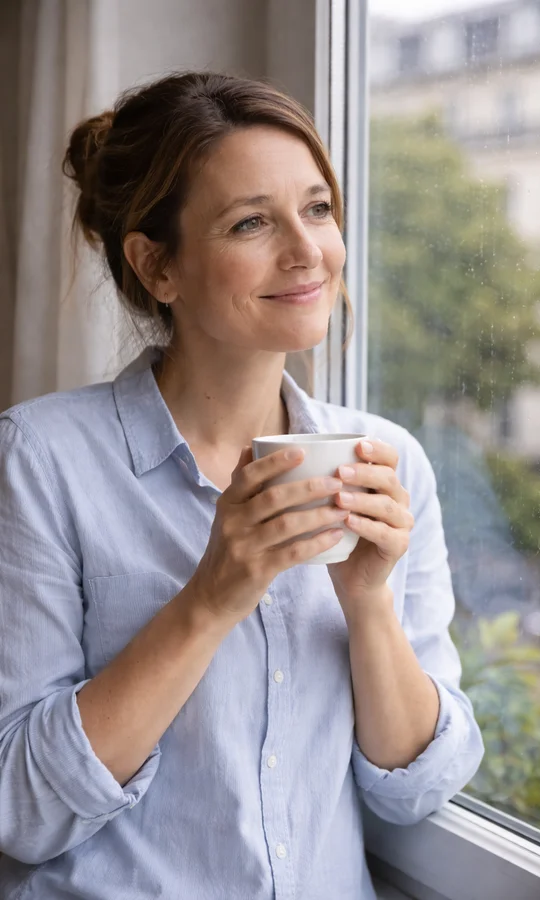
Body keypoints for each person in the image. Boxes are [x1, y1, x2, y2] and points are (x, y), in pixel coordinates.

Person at [0, 71, 484, 899]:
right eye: (251, 222)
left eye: (318, 208)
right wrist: (213, 596)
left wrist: (368, 603)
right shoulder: (40, 460)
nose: (308, 252)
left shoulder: (386, 460)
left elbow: (419, 789)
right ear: (157, 266)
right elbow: (19, 806)